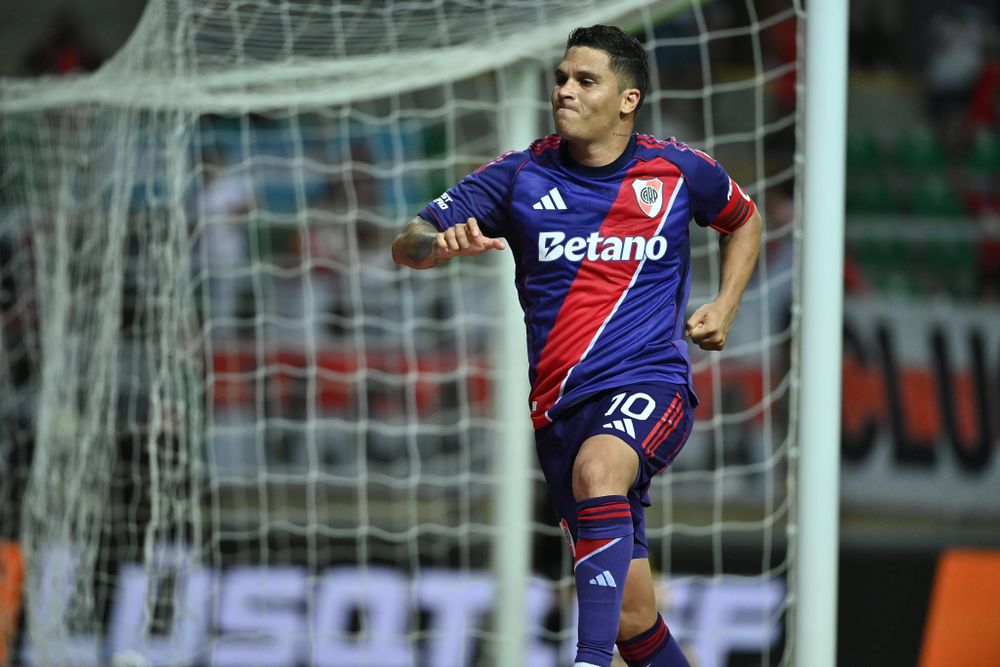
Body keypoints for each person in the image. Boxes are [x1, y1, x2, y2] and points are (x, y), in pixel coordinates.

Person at [392, 25, 760, 667]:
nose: (565, 90)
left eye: (586, 80)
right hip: (560, 411)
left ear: (627, 100)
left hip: (650, 381)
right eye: (562, 78)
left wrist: (725, 304)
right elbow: (410, 239)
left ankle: (586, 662)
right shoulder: (519, 175)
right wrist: (437, 246)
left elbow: (743, 218)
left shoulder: (676, 170)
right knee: (633, 619)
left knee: (599, 471)